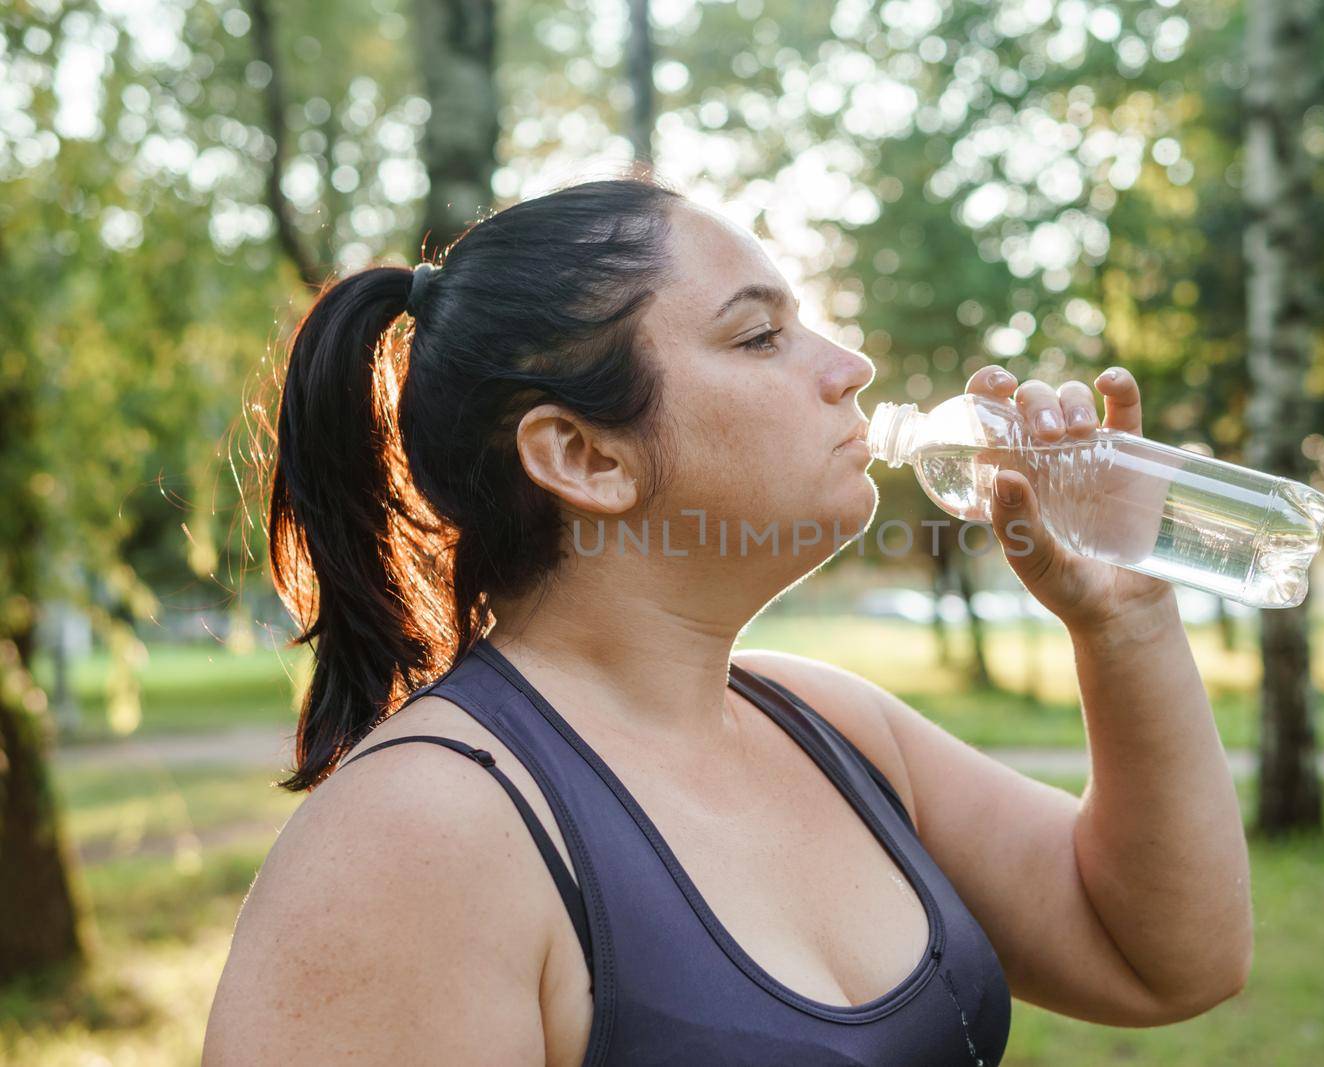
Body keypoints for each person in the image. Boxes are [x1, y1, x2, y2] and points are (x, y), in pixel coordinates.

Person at [202, 175, 1251, 1066]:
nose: (851, 368)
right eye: (760, 335)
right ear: (584, 457)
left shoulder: (827, 724)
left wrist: (1125, 628)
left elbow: (1162, 954)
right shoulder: (415, 840)